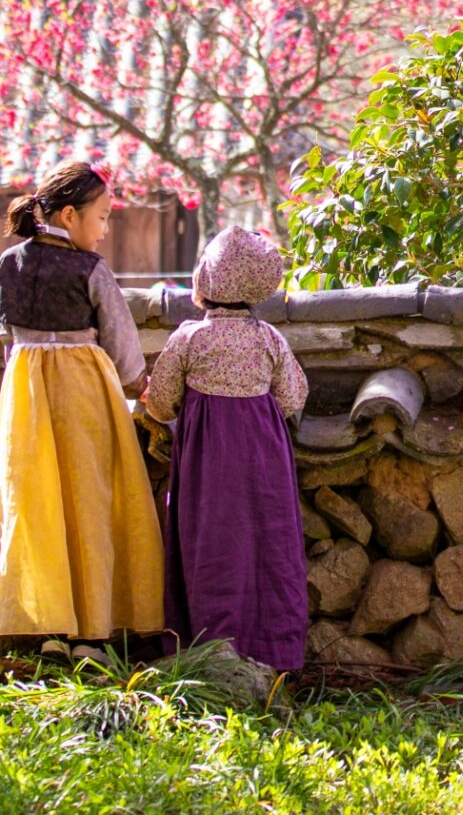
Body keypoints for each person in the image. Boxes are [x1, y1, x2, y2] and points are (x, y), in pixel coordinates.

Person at [0, 161, 166, 645]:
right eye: (103, 217)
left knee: (34, 500)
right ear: (69, 216)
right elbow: (121, 339)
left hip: (25, 391)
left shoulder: (8, 265)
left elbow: (6, 335)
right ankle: (94, 621)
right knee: (90, 498)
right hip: (83, 391)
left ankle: (36, 619)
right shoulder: (90, 269)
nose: (106, 229)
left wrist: (25, 369)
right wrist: (139, 385)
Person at [142, 224, 309, 670]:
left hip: (206, 463)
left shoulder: (189, 339)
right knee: (267, 541)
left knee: (211, 542)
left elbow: (159, 403)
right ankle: (274, 651)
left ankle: (205, 648)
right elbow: (293, 397)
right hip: (262, 458)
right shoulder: (269, 339)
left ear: (206, 282)